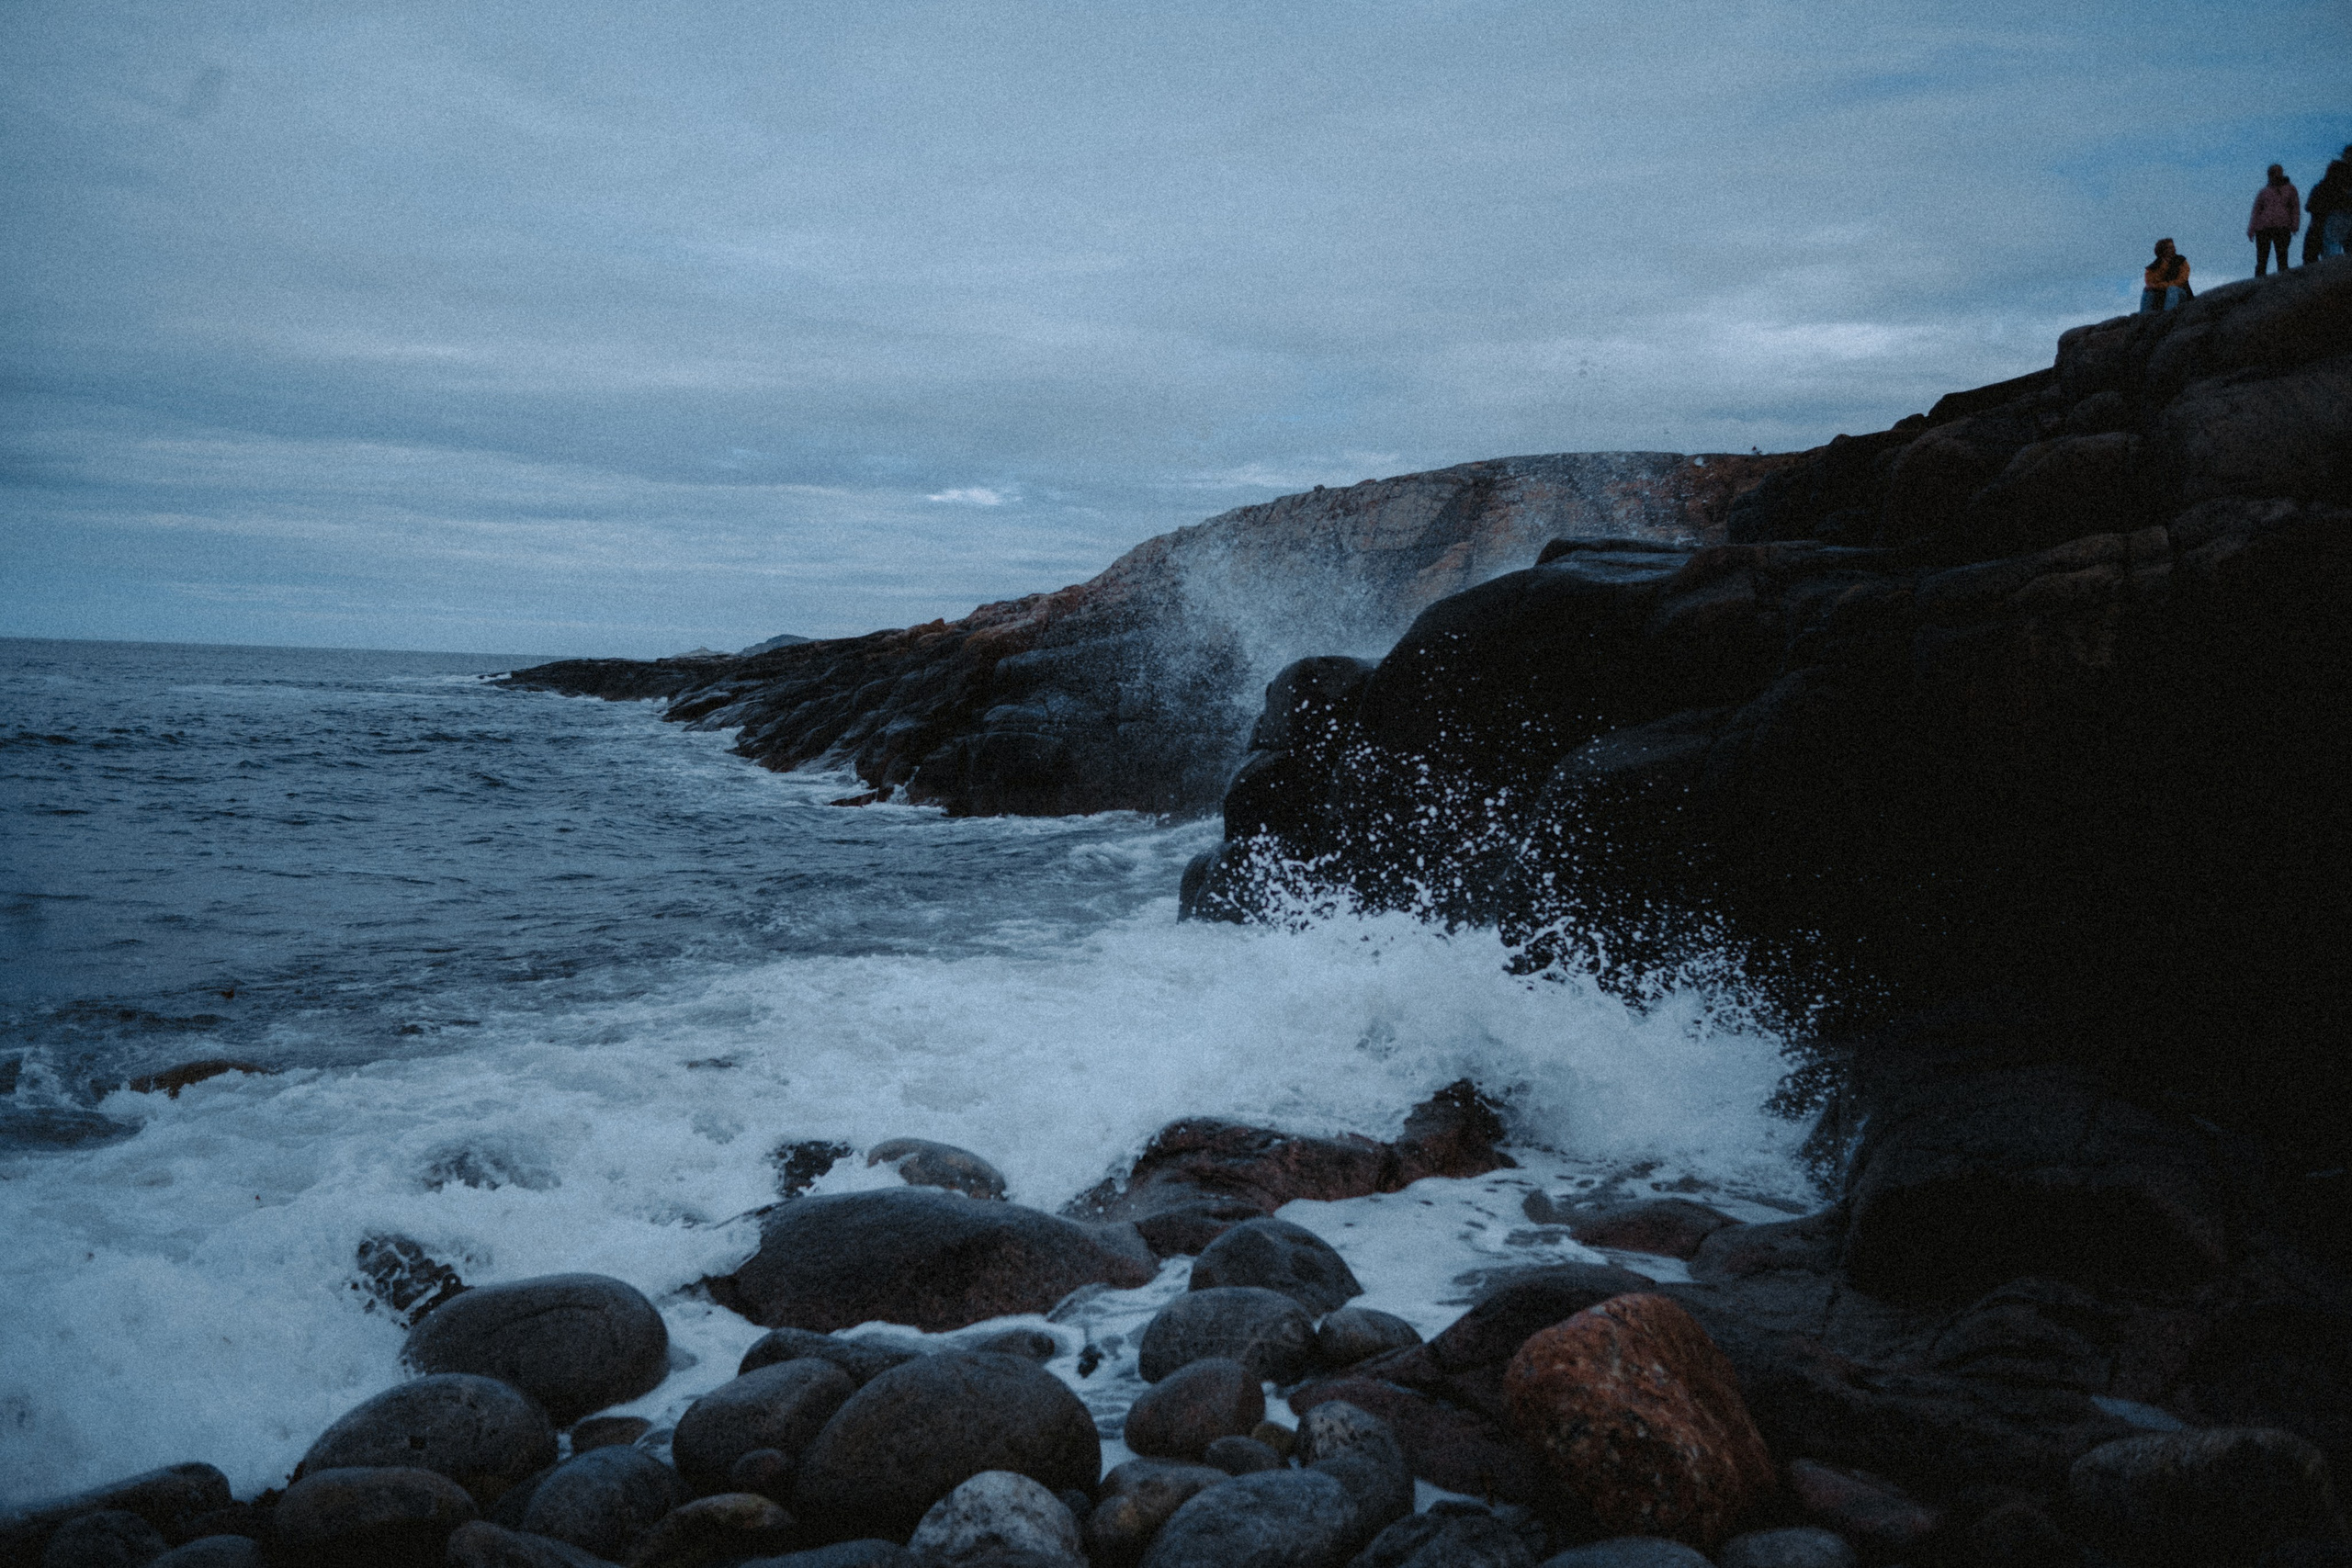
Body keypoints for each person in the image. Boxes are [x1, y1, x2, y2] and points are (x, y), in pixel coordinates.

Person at [2248, 164, 2301, 275]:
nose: (2273, 175)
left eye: (2276, 172)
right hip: (2263, 228)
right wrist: (2251, 229)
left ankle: (2283, 282)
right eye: (2271, 173)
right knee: (2262, 259)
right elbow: (2256, 211)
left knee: (2282, 257)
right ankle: (2259, 282)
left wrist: (2295, 224)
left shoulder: (2290, 189)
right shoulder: (2264, 192)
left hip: (2282, 226)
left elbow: (2295, 207)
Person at [2308, 145, 2352, 261]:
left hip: (2338, 211)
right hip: (2341, 210)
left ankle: (2333, 267)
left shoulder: (2337, 170)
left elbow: (2328, 191)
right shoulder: (2340, 171)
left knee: (2332, 241)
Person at [2140, 238, 2191, 312]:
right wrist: (2164, 266)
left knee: (2172, 289)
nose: (2174, 249)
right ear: (2163, 251)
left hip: (2181, 294)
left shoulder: (2181, 261)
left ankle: (2167, 316)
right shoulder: (2153, 267)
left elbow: (2181, 281)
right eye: (2170, 247)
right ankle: (2144, 318)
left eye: (2173, 247)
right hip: (2160, 296)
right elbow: (2150, 283)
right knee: (2147, 291)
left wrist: (2158, 286)